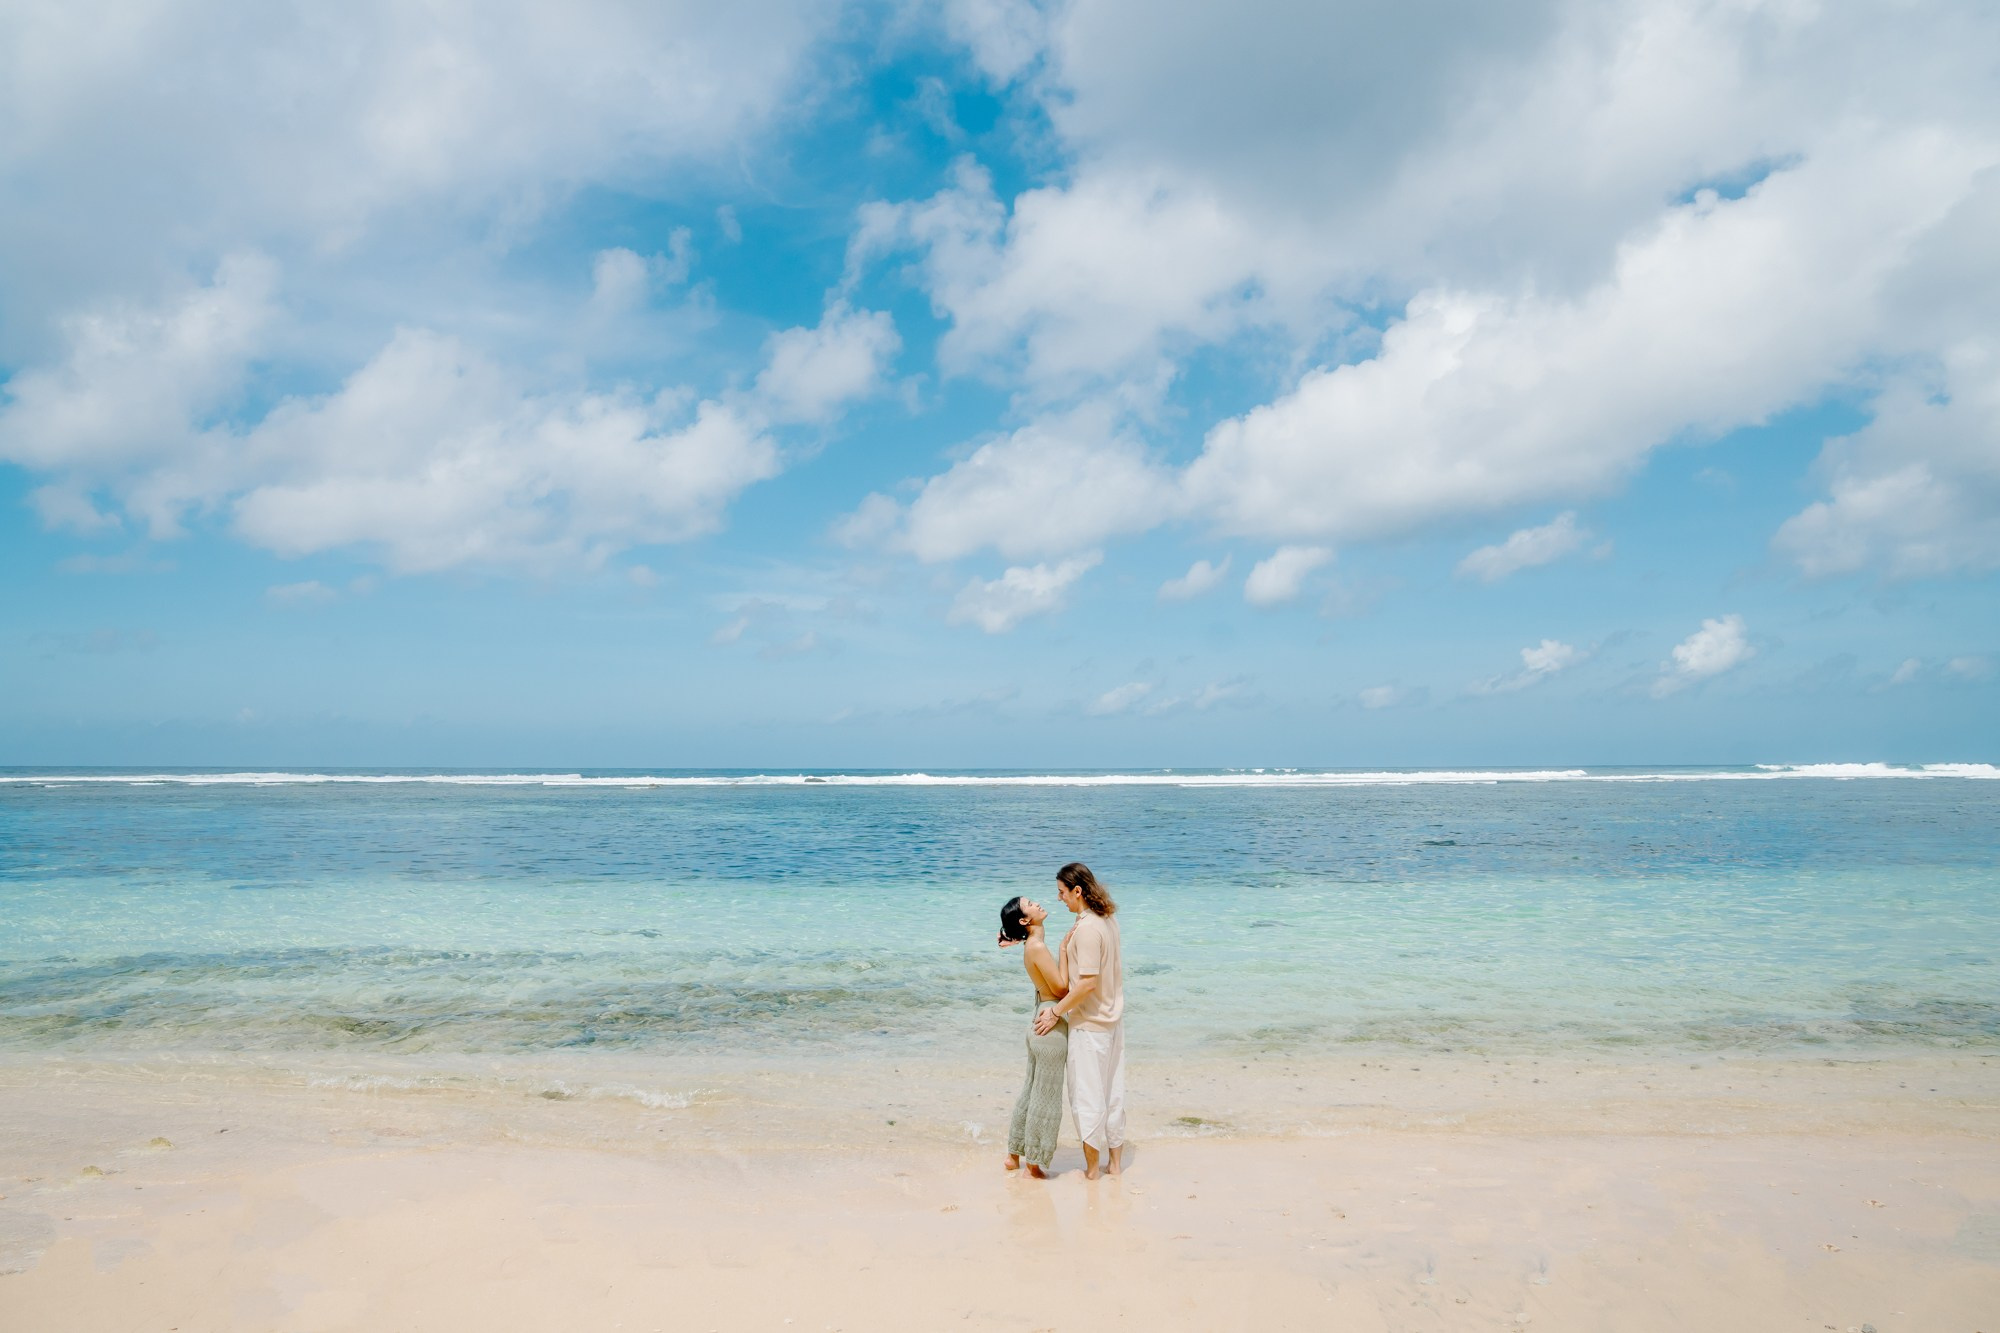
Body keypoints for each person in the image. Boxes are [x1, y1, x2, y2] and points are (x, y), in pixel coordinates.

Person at [1036, 862, 1125, 1179]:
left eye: (1062, 892)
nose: (1059, 898)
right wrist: (1064, 949)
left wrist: (1055, 1012)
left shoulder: (1088, 929)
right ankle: (1114, 1165)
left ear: (1078, 891)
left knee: (1087, 1099)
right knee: (1113, 1095)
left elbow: (1087, 984)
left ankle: (1091, 1171)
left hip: (1089, 1026)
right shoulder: (1108, 919)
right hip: (1113, 1022)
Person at [996, 894, 1067, 1178]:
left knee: (1031, 1089)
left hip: (1039, 1018)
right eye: (1030, 905)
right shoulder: (1037, 946)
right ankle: (1034, 1166)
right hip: (1050, 1024)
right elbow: (1061, 990)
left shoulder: (1031, 945)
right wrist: (1064, 951)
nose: (1037, 904)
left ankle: (1014, 1155)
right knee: (1046, 1096)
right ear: (1025, 920)